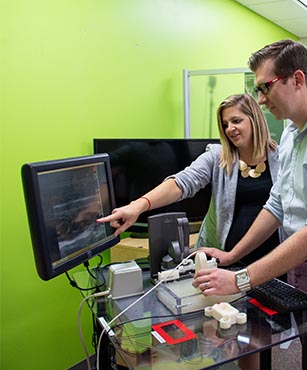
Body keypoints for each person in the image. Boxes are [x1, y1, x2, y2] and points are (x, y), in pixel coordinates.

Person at [194, 39, 307, 370]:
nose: (261, 100)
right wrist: (234, 257)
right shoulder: (293, 133)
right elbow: (277, 205)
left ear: (297, 79)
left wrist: (240, 279)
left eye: (265, 87)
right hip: (303, 264)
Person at [98, 93, 282, 370]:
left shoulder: (283, 157)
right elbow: (182, 182)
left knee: (260, 330)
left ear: (255, 119)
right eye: (225, 124)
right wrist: (138, 206)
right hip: (227, 258)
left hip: (271, 257)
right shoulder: (218, 157)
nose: (230, 128)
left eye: (236, 120)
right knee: (230, 328)